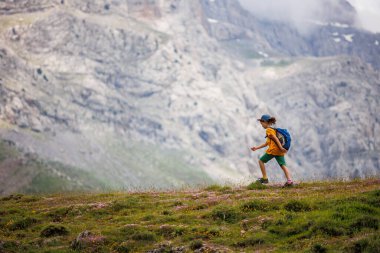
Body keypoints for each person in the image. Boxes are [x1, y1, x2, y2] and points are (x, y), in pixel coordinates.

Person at [250, 114, 293, 187]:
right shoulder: (273, 129)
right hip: (279, 152)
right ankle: (289, 181)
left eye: (262, 123)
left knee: (261, 161)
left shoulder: (269, 130)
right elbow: (267, 143)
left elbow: (275, 138)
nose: (261, 125)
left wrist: (280, 147)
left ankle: (265, 178)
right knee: (283, 165)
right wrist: (256, 148)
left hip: (274, 151)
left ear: (265, 122)